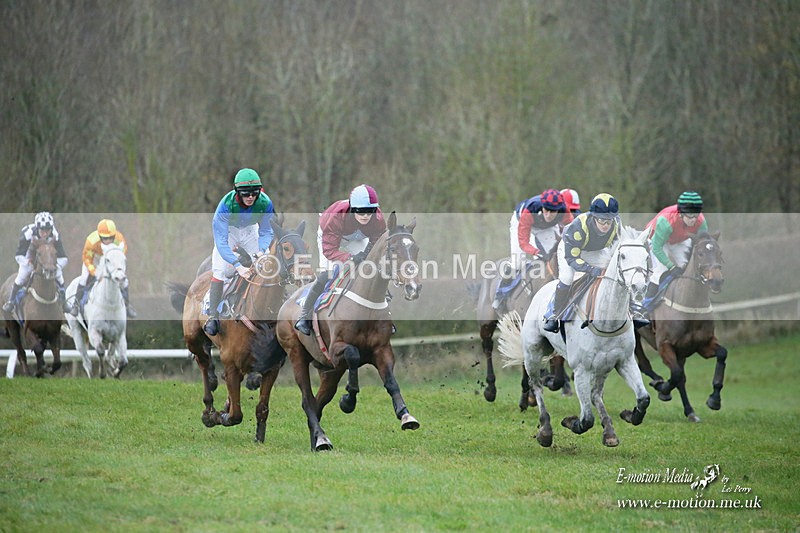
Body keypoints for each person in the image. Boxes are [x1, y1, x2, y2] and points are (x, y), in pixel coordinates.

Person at [543, 193, 648, 332]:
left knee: (617, 273)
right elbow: (572, 258)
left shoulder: (616, 224)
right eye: (602, 221)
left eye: (608, 221)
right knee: (567, 278)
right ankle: (554, 315)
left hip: (595, 250)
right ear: (593, 217)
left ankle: (634, 310)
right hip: (571, 250)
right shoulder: (578, 227)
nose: (605, 225)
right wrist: (591, 269)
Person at [294, 184, 386, 335]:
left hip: (359, 236)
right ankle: (304, 316)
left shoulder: (378, 218)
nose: (365, 215)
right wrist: (350, 258)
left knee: (371, 270)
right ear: (352, 209)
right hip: (331, 235)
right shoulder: (337, 217)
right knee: (328, 274)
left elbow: (376, 240)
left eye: (370, 211)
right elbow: (330, 251)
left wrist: (367, 254)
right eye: (361, 211)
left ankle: (384, 317)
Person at [203, 168, 275, 336]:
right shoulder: (225, 206)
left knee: (266, 264)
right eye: (246, 193)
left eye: (254, 193)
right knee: (221, 270)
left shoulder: (265, 202)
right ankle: (213, 316)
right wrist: (237, 265)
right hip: (229, 233)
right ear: (237, 192)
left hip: (251, 230)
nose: (250, 197)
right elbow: (221, 242)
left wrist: (262, 250)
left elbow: (266, 230)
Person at [492, 188, 572, 311]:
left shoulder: (564, 211)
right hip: (521, 223)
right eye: (546, 209)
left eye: (553, 211)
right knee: (518, 262)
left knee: (554, 257)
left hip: (545, 228)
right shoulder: (530, 210)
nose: (549, 215)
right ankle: (500, 295)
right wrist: (536, 252)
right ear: (542, 206)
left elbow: (571, 231)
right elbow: (523, 243)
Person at [3, 212, 70, 313]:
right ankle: (11, 302)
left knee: (59, 277)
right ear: (37, 228)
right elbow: (18, 255)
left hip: (49, 259)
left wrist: (55, 266)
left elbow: (64, 257)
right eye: (42, 230)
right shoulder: (27, 234)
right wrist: (28, 263)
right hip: (28, 256)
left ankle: (64, 303)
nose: (44, 233)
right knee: (21, 276)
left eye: (47, 230)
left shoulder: (55, 235)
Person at [70, 218, 137, 318]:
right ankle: (76, 305)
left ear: (114, 235)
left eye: (111, 238)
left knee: (124, 281)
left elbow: (121, 256)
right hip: (94, 261)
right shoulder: (91, 241)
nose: (109, 241)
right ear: (100, 237)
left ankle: (127, 306)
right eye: (105, 239)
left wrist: (117, 270)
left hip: (111, 262)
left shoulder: (120, 239)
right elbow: (87, 259)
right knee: (84, 279)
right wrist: (95, 272)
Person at [645, 191, 708, 294]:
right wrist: (671, 266)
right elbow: (657, 248)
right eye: (689, 215)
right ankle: (646, 305)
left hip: (679, 240)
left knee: (687, 268)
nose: (693, 219)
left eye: (696, 214)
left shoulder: (701, 221)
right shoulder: (666, 221)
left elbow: (702, 244)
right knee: (661, 271)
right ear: (681, 213)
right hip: (658, 241)